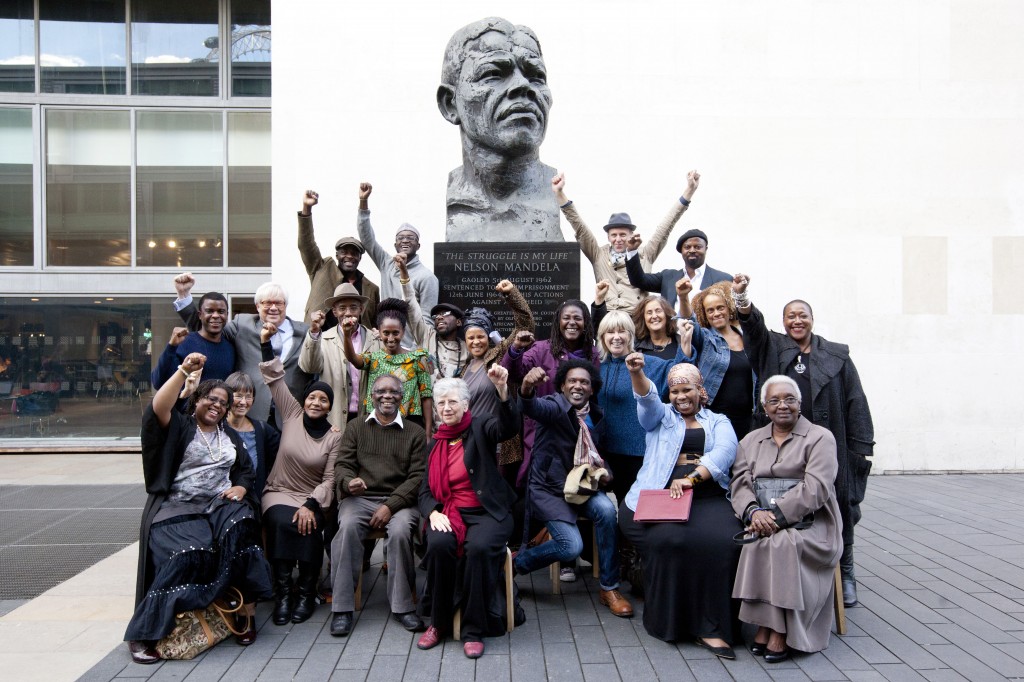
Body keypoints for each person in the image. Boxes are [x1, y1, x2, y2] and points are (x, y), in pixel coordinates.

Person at [125, 353, 272, 664]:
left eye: (223, 402)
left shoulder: (228, 435)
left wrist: (243, 487)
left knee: (243, 527)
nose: (217, 405)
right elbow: (158, 408)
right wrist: (183, 371)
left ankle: (244, 612)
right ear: (197, 399)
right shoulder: (179, 425)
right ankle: (145, 632)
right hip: (177, 506)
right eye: (211, 399)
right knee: (189, 552)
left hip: (216, 505)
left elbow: (245, 470)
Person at [737, 279, 873, 607]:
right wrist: (742, 300)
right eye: (790, 316)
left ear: (812, 319)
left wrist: (859, 447)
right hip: (782, 442)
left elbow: (856, 398)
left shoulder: (836, 356)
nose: (797, 321)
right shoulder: (773, 346)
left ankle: (846, 569)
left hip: (827, 442)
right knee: (779, 500)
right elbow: (753, 328)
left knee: (840, 502)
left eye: (803, 315)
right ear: (783, 322)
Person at [618, 356, 741, 656]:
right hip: (659, 496)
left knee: (726, 542)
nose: (681, 396)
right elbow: (646, 402)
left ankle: (712, 626)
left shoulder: (719, 421)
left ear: (701, 391)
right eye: (674, 391)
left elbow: (725, 451)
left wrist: (692, 479)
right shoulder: (661, 417)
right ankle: (670, 622)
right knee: (671, 540)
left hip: (707, 495)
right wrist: (637, 373)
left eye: (687, 390)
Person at [731, 376, 843, 662]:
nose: (783, 406)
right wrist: (754, 513)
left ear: (799, 404)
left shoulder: (820, 437)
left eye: (789, 399)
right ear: (764, 407)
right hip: (762, 520)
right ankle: (767, 624)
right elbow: (740, 484)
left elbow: (816, 489)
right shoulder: (750, 440)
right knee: (756, 543)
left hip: (813, 523)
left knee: (783, 542)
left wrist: (776, 516)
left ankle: (779, 631)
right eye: (774, 400)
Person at [514, 360, 634, 619]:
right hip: (551, 489)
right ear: (562, 386)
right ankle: (515, 563)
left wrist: (607, 475)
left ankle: (609, 588)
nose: (578, 385)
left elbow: (598, 453)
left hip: (582, 487)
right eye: (572, 381)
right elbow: (532, 406)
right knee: (571, 548)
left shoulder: (597, 415)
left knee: (605, 509)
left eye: (584, 382)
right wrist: (526, 388)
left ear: (592, 389)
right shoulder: (555, 406)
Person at [417, 369, 520, 658]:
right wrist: (433, 513)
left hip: (487, 512)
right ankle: (437, 622)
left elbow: (507, 429)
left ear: (466, 405)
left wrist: (502, 390)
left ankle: (474, 629)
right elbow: (424, 491)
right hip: (449, 513)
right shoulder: (435, 443)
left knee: (479, 549)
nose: (447, 408)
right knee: (438, 545)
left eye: (452, 402)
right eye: (441, 403)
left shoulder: (481, 426)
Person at [437, 17, 560, 242]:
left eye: (536, 77)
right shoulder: (458, 196)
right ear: (450, 104)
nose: (523, 85)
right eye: (493, 74)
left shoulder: (554, 192)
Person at [329, 375, 427, 637]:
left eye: (393, 392)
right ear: (370, 396)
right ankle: (342, 609)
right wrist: (349, 483)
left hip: (400, 500)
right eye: (381, 391)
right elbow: (343, 465)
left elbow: (418, 477)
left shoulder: (415, 432)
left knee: (400, 532)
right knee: (347, 527)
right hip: (360, 498)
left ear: (402, 397)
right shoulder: (356, 426)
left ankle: (403, 607)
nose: (387, 396)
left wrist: (391, 506)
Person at [258, 323, 341, 627]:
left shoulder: (335, 436)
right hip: (279, 491)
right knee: (282, 521)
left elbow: (330, 480)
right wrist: (265, 343)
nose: (316, 403)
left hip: (312, 497)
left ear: (330, 406)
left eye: (323, 400)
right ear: (304, 400)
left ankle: (305, 594)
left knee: (308, 526)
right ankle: (283, 595)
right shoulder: (291, 414)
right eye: (313, 398)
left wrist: (311, 504)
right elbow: (275, 379)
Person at [174, 275, 312, 426]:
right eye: (267, 303)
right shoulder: (243, 324)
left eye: (279, 303)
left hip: (291, 416)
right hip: (251, 413)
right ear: (257, 306)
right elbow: (206, 329)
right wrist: (184, 296)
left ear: (285, 305)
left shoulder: (305, 331)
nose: (273, 308)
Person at [553, 170, 700, 311]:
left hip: (637, 318)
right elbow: (580, 228)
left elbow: (666, 226)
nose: (618, 239)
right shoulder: (598, 254)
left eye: (623, 235)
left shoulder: (646, 254)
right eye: (614, 235)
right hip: (609, 319)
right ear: (608, 237)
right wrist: (560, 194)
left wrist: (689, 190)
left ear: (631, 235)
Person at [501, 298, 599, 485]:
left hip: (576, 431)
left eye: (577, 318)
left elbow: (593, 394)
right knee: (540, 482)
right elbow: (511, 373)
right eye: (566, 318)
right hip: (543, 430)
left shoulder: (592, 354)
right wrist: (516, 349)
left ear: (585, 323)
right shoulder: (540, 349)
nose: (572, 323)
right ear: (558, 322)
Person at [595, 310, 682, 505]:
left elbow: (681, 370)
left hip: (638, 454)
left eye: (622, 331)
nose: (616, 337)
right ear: (602, 337)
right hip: (606, 455)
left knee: (635, 509)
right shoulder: (597, 368)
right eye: (610, 332)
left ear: (631, 335)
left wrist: (685, 338)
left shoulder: (648, 364)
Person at [356, 182, 438, 346]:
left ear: (418, 245)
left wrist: (417, 350)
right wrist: (363, 204)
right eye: (401, 238)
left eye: (411, 238)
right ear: (395, 245)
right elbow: (367, 239)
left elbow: (427, 318)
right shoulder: (386, 263)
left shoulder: (427, 277)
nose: (405, 240)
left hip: (411, 348)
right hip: (385, 343)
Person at [679, 278, 756, 441]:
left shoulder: (746, 339)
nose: (716, 313)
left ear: (728, 309)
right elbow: (690, 319)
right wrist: (683, 297)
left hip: (747, 419)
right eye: (710, 310)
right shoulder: (706, 339)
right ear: (705, 315)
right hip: (716, 420)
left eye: (720, 308)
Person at [341, 298, 434, 431]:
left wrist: (428, 431)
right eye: (386, 333)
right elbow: (352, 358)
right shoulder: (374, 358)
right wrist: (346, 335)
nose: (390, 338)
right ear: (379, 331)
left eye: (395, 333)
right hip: (377, 425)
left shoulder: (417, 358)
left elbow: (426, 396)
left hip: (410, 424)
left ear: (403, 331)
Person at [299, 283, 383, 431]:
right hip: (334, 419)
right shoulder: (323, 339)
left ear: (361, 310)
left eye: (353, 307)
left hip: (368, 419)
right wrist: (313, 331)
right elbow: (309, 367)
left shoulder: (375, 339)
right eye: (342, 308)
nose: (348, 313)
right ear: (334, 312)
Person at [297, 189, 379, 330]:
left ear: (360, 258)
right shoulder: (321, 269)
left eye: (354, 253)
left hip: (356, 348)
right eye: (344, 252)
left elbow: (373, 324)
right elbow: (306, 245)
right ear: (337, 255)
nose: (349, 256)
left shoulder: (371, 289)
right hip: (320, 341)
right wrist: (307, 209)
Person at [396, 253, 469, 380]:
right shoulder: (426, 336)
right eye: (436, 315)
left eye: (445, 314)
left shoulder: (467, 349)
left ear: (458, 322)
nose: (439, 317)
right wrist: (404, 272)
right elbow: (410, 303)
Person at [626, 228, 732, 306]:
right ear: (681, 251)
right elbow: (638, 280)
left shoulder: (723, 279)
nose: (692, 250)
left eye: (698, 247)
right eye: (687, 247)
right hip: (674, 334)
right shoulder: (668, 277)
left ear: (706, 249)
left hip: (707, 335)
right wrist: (632, 251)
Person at [151, 292, 235, 390]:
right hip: (187, 405)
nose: (215, 315)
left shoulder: (231, 348)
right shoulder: (183, 342)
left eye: (221, 311)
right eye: (209, 311)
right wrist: (171, 346)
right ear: (200, 315)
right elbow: (158, 382)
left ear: (227, 315)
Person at [224, 371, 279, 502]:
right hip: (220, 498)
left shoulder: (262, 430)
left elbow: (281, 461)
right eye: (238, 396)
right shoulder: (215, 427)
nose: (243, 402)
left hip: (252, 500)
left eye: (248, 397)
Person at [632, 294, 681, 361]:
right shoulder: (636, 348)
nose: (654, 316)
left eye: (658, 311)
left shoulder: (680, 342)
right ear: (643, 318)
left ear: (666, 314)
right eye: (649, 313)